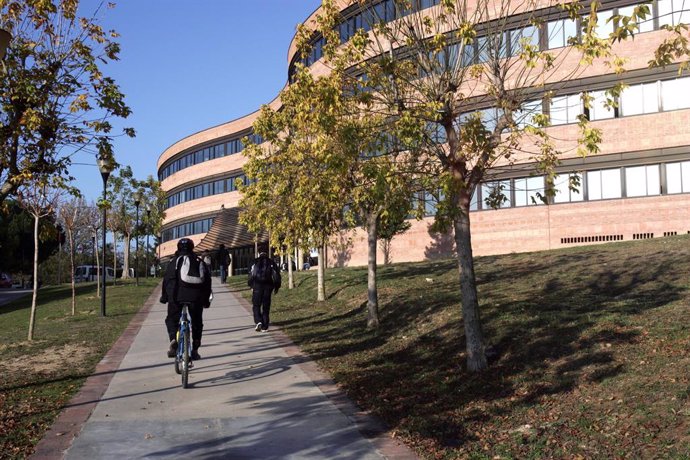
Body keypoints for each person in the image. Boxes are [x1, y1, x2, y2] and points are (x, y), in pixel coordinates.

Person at [161, 238, 211, 360]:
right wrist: (205, 300)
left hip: (176, 296)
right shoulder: (199, 261)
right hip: (196, 297)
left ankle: (173, 339)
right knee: (197, 322)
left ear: (178, 248)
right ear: (192, 248)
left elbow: (167, 280)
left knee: (171, 319)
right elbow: (207, 282)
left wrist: (165, 297)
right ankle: (195, 349)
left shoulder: (174, 261)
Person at [248, 251, 281, 332]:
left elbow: (250, 274)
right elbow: (276, 275)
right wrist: (276, 286)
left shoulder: (254, 262)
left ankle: (258, 321)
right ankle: (265, 326)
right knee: (266, 306)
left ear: (259, 253)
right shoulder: (271, 262)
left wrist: (251, 285)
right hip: (268, 286)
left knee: (256, 305)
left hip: (257, 286)